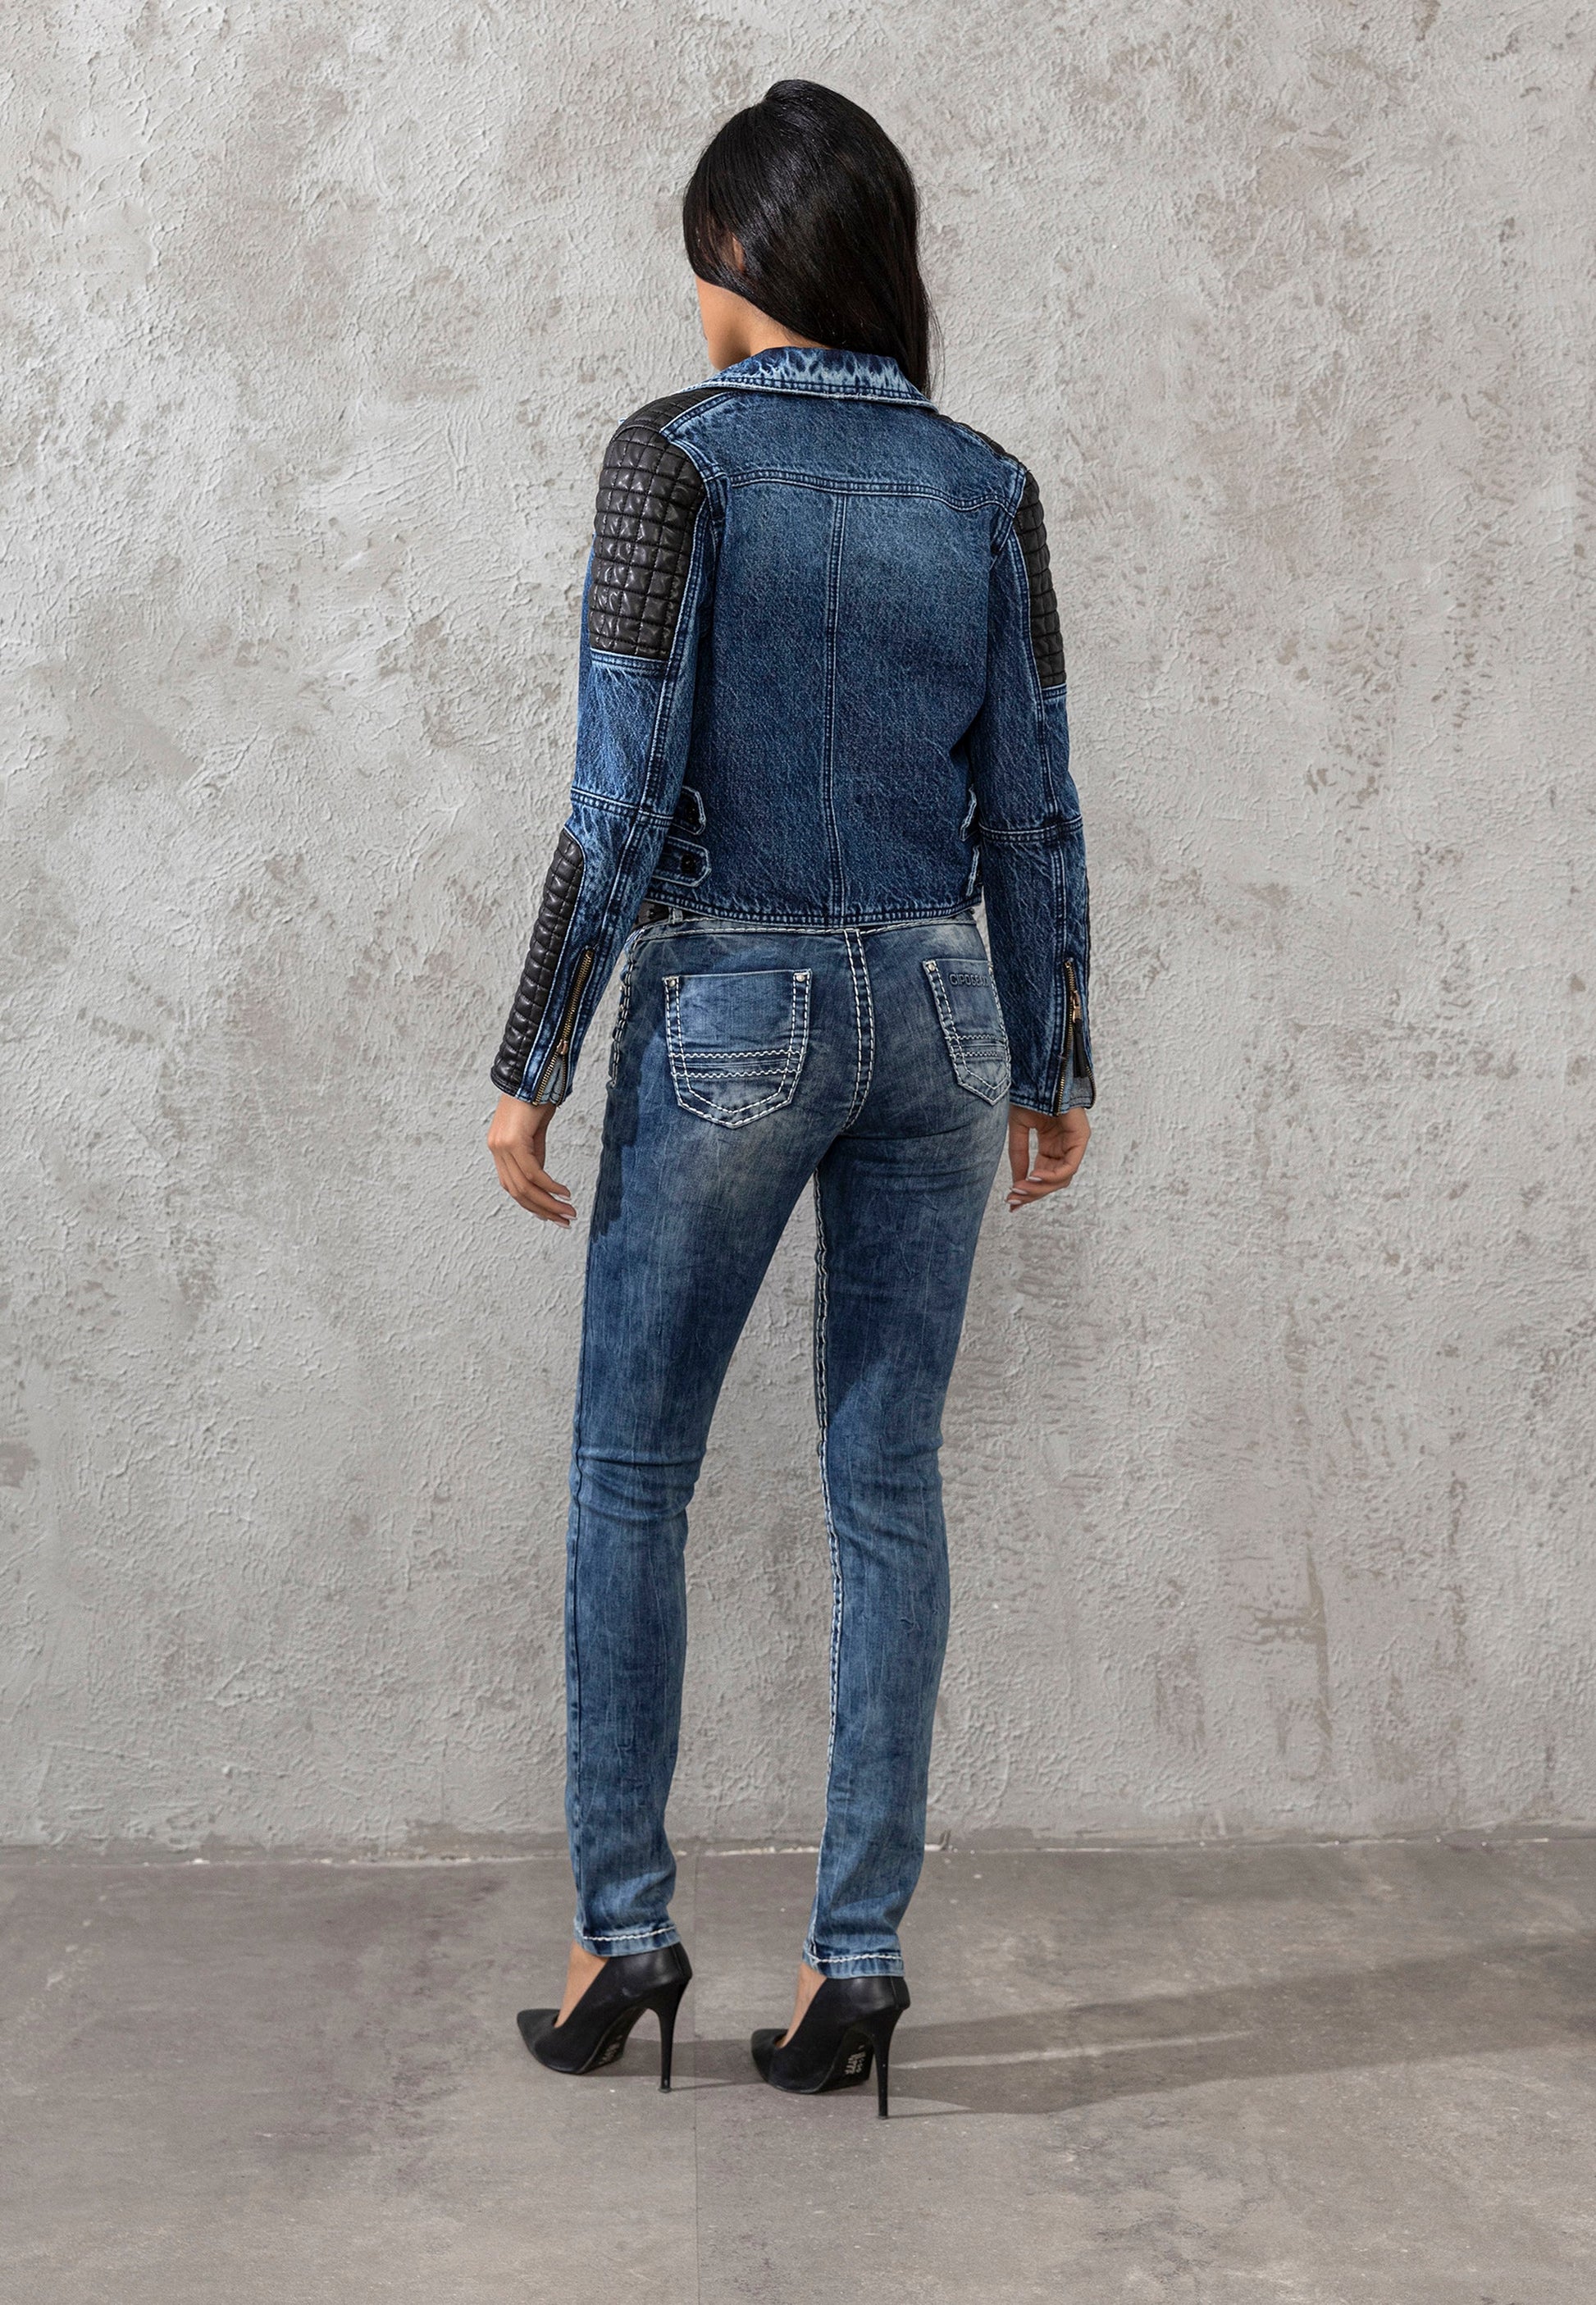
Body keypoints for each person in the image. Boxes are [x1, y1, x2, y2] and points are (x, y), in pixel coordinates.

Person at [486, 80, 1094, 2116]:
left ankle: (622, 1935)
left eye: (700, 250)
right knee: (885, 1484)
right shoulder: (988, 485)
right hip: (939, 1010)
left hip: (726, 1006)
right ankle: (859, 1966)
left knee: (629, 1471)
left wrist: (529, 1063)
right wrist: (1053, 1050)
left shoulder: (671, 460)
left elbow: (615, 796)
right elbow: (1032, 799)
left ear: (741, 252)